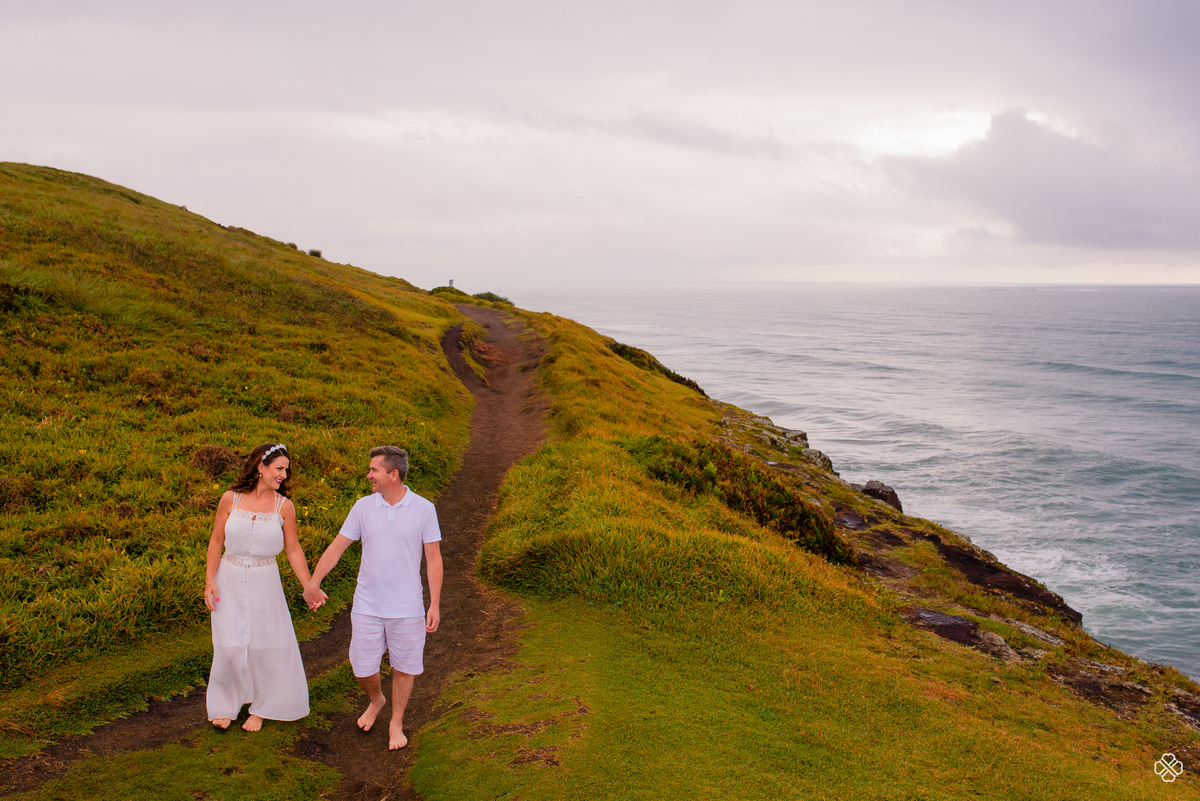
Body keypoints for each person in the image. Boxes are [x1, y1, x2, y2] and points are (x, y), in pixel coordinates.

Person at [304, 446, 443, 751]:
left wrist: (434, 604)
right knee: (362, 667)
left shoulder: (424, 509)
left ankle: (396, 722)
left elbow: (434, 559)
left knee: (404, 668)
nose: (368, 475)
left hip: (407, 608)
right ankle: (377, 699)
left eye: (373, 470)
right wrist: (314, 583)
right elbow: (338, 546)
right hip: (367, 605)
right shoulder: (362, 507)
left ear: (393, 474)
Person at [204, 442, 313, 731]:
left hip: (265, 581)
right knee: (228, 645)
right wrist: (209, 580)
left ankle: (262, 708)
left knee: (265, 643)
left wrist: (309, 586)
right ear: (260, 467)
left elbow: (293, 549)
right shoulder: (230, 499)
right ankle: (226, 704)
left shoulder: (284, 506)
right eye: (279, 468)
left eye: (286, 470)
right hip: (228, 578)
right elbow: (216, 540)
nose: (283, 475)